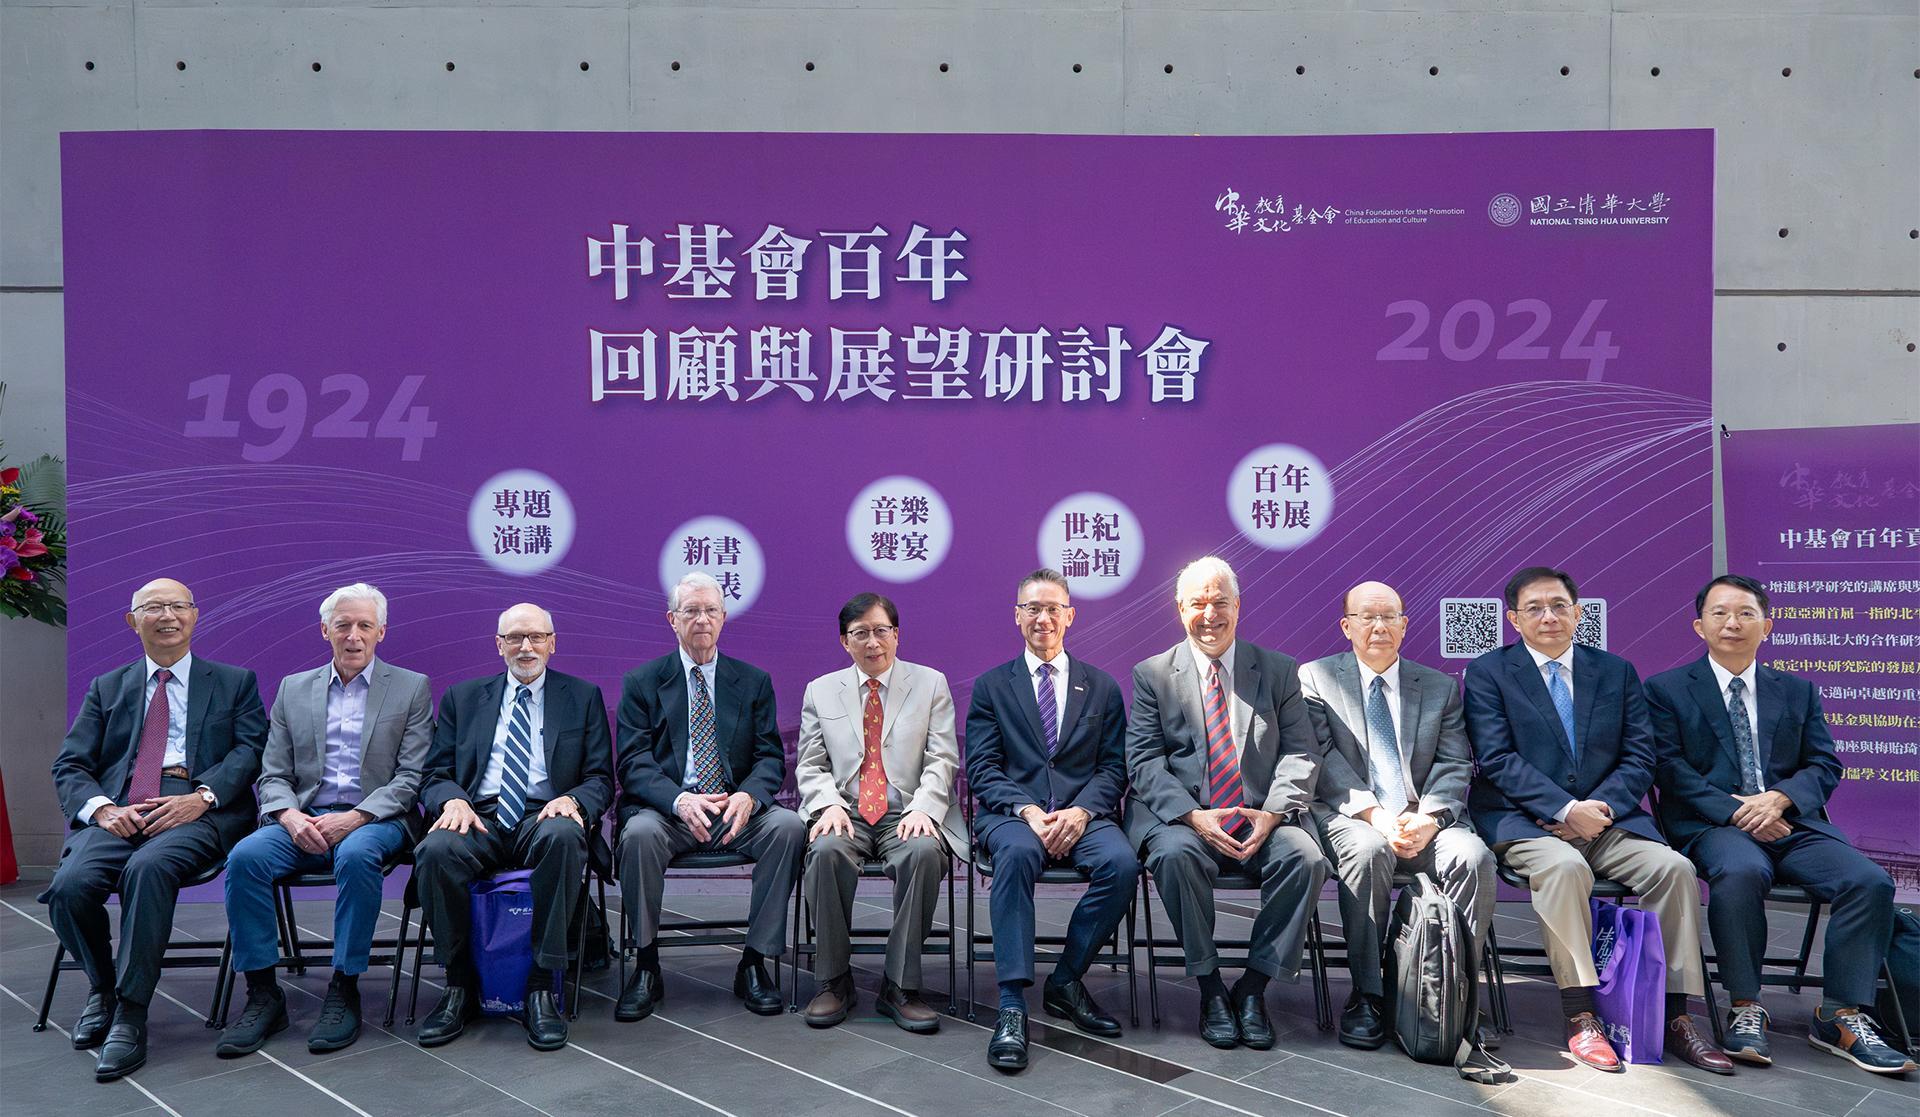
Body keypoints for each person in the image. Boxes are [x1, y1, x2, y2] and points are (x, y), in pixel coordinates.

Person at [1465, 565, 1731, 1074]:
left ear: (1578, 613)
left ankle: (1675, 1016)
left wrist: (1597, 811)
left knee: (1674, 869)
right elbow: (1496, 759)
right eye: (1535, 609)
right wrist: (1565, 811)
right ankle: (1581, 1013)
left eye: (1559, 606)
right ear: (1513, 619)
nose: (1549, 617)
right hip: (1526, 822)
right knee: (1565, 869)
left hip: (1609, 821)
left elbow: (1640, 755)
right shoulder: (1488, 673)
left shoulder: (1615, 671)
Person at [1649, 574, 1913, 1075]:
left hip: (1790, 822)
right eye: (1720, 613)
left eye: (1746, 613)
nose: (1733, 622)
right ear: (1699, 625)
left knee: (1869, 881)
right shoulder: (1665, 690)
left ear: (1767, 626)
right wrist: (1738, 811)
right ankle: (1746, 1006)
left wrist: (1779, 798)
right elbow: (1668, 768)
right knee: (1742, 871)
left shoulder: (1796, 690)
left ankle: (1841, 1015)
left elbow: (1824, 764)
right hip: (1713, 824)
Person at [44, 578, 267, 1081]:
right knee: (68, 888)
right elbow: (71, 764)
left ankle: (130, 1013)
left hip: (197, 809)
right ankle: (103, 989)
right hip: (121, 808)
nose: (167, 616)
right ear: (133, 621)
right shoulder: (109, 687)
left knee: (148, 869)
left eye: (178, 606)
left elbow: (251, 751)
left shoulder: (234, 681)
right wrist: (102, 810)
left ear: (194, 616)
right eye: (153, 608)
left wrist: (202, 797)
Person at [1123, 556, 1329, 1050]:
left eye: (1220, 602)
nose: (1210, 613)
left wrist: (1273, 812)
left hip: (1261, 815)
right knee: (1173, 855)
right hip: (1185, 818)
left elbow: (1302, 751)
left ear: (1238, 606)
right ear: (1179, 610)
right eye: (1198, 603)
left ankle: (1254, 987)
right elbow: (1144, 759)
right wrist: (1192, 815)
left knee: (1306, 858)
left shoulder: (1277, 670)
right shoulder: (1153, 674)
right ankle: (1211, 988)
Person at [216, 583, 431, 1057]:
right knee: (246, 857)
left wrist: (356, 817)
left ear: (381, 633)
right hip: (303, 816)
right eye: (343, 626)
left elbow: (411, 776)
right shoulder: (294, 688)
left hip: (378, 818)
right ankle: (263, 993)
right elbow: (273, 773)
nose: (353, 636)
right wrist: (290, 816)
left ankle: (345, 985)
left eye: (364, 626)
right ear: (324, 631)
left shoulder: (412, 687)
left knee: (356, 856)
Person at [1300, 580, 1496, 1050]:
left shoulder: (1438, 686)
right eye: (1367, 617)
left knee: (1474, 857)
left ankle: (1454, 995)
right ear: (1347, 627)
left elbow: (1453, 763)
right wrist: (1378, 817)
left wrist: (1429, 818)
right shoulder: (1315, 677)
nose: (1379, 626)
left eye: (1389, 617)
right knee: (1368, 853)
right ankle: (1368, 994)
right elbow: (1322, 760)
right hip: (1354, 816)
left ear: (1405, 626)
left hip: (1425, 817)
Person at [413, 603, 613, 1051]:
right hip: (479, 815)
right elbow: (435, 773)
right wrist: (453, 799)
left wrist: (574, 800)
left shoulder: (581, 696)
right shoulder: (464, 698)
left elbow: (601, 778)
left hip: (542, 813)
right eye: (516, 638)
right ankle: (459, 985)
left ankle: (542, 985)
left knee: (564, 835)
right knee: (435, 850)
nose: (527, 647)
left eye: (537, 637)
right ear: (498, 645)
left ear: (552, 643)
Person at [965, 569, 1138, 1070]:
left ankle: (1065, 980)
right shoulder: (993, 686)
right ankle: (1013, 1003)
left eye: (1053, 608)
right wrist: (1028, 810)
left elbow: (1113, 767)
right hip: (1014, 815)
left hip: (1085, 813)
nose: (1043, 618)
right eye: (1032, 609)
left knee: (1122, 865)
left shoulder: (1101, 686)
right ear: (1017, 616)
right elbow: (982, 767)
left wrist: (1082, 811)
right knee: (1017, 852)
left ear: (1070, 615)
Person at [614, 572, 804, 1022]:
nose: (702, 619)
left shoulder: (752, 681)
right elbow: (634, 763)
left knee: (788, 827)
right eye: (691, 611)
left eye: (711, 611)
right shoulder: (642, 682)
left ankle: (755, 961)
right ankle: (646, 963)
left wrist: (750, 797)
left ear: (723, 618)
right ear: (672, 620)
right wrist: (679, 800)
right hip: (670, 812)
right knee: (638, 834)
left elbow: (769, 758)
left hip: (734, 809)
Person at [796, 592, 967, 1032]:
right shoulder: (821, 689)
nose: (873, 642)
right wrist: (828, 804)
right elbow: (810, 764)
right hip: (846, 812)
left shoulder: (930, 684)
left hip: (906, 812)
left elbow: (942, 759)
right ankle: (833, 980)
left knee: (924, 854)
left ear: (897, 634)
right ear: (844, 642)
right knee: (826, 851)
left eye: (881, 631)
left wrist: (925, 808)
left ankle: (900, 985)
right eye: (860, 634)